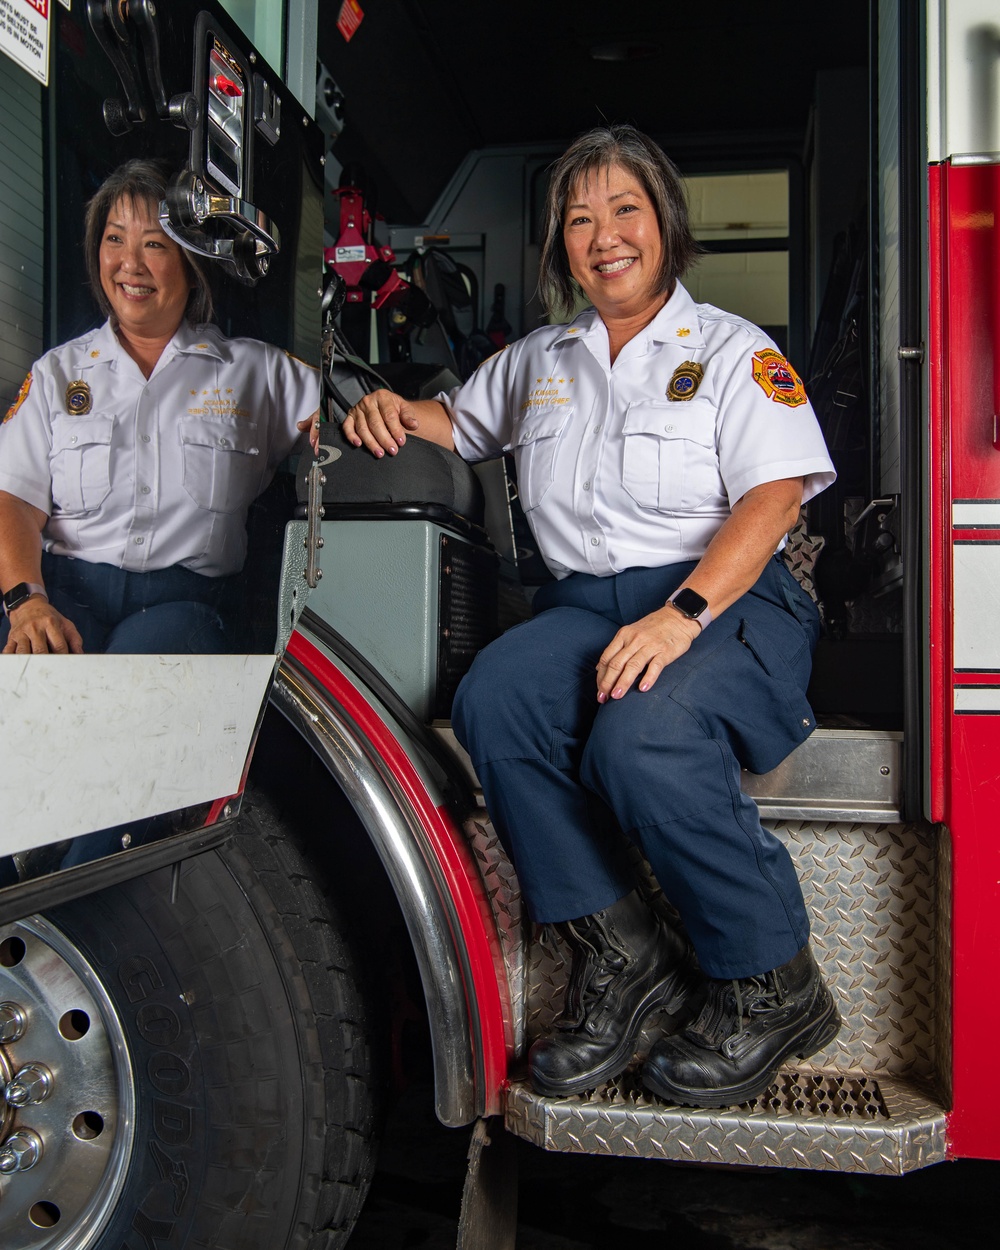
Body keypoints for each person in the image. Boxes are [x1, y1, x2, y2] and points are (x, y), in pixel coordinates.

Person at [340, 124, 840, 1110]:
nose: (604, 235)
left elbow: (774, 499)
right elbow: (456, 423)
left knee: (641, 736)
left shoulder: (733, 350)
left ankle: (774, 978)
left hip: (724, 596)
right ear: (559, 246)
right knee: (498, 696)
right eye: (579, 219)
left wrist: (680, 615)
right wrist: (384, 408)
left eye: (625, 210)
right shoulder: (539, 360)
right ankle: (626, 954)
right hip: (586, 607)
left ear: (664, 224)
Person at [0, 158, 320, 656]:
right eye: (114, 239)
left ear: (192, 263)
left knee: (152, 675)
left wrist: (341, 422)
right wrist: (27, 603)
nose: (130, 263)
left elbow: (353, 416)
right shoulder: (55, 375)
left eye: (153, 243)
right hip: (63, 596)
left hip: (185, 608)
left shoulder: (255, 373)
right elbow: (14, 501)